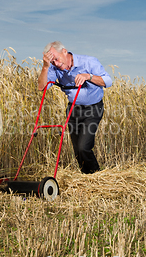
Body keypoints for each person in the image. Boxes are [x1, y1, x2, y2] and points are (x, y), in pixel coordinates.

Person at [38, 41, 112, 174]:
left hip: (93, 109)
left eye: (56, 58)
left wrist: (88, 76)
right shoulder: (54, 68)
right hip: (73, 110)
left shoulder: (89, 62)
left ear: (64, 52)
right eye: (51, 60)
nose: (55, 62)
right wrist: (45, 67)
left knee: (84, 147)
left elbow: (108, 81)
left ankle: (96, 176)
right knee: (77, 149)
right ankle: (86, 177)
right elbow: (42, 88)